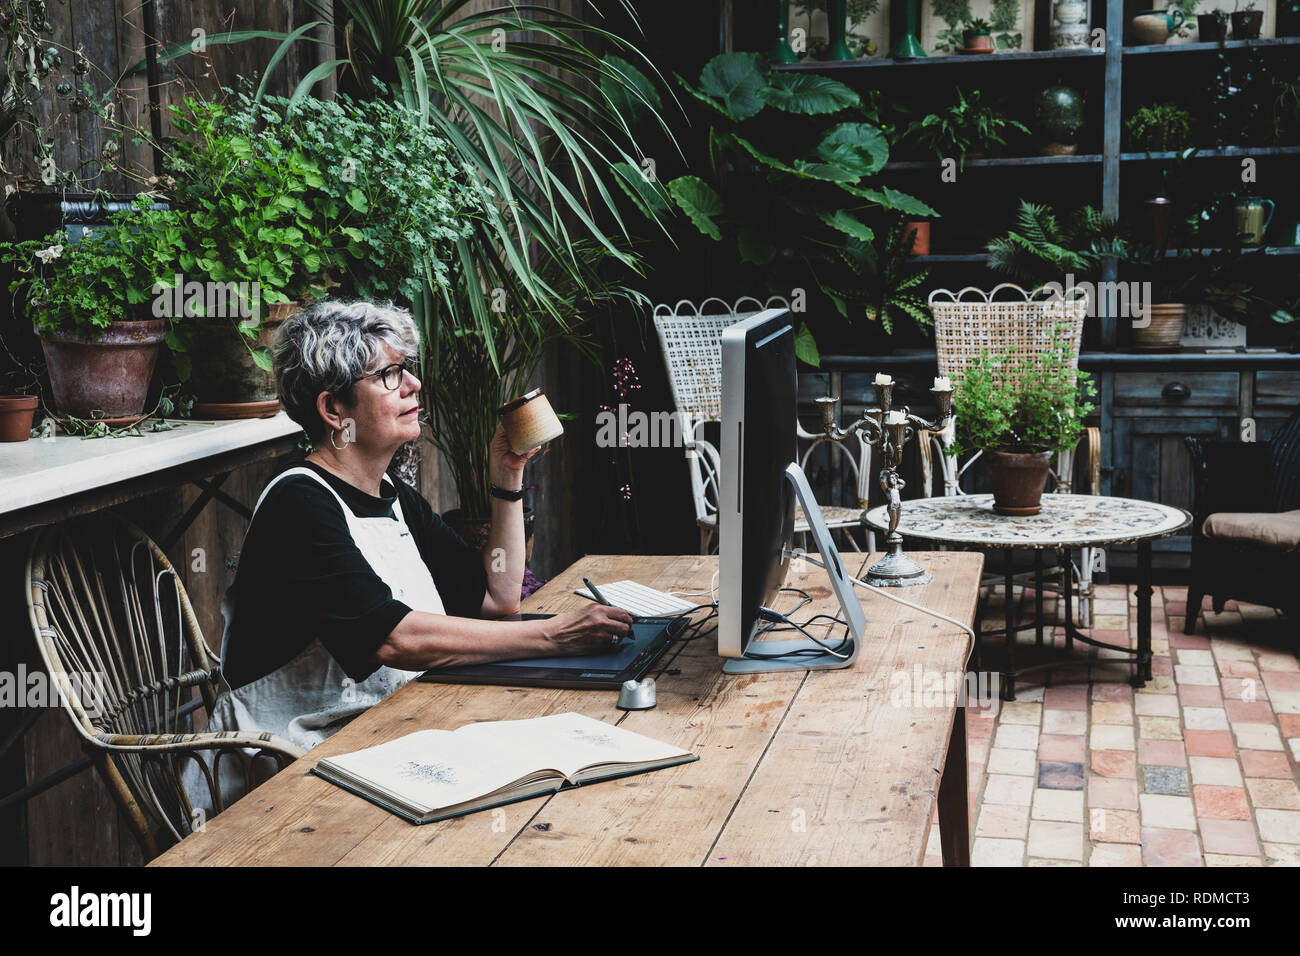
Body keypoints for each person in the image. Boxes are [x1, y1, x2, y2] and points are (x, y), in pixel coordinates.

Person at [204, 300, 633, 755]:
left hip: (380, 730)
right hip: (284, 757)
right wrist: (552, 635)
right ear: (333, 410)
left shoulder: (394, 496)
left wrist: (507, 478)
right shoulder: (299, 503)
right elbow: (392, 638)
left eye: (406, 368)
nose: (414, 384)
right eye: (389, 374)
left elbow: (497, 598)